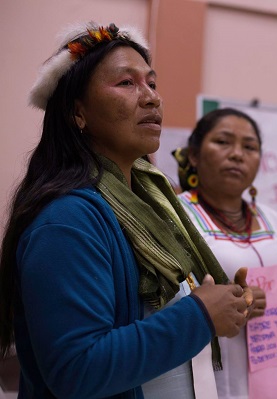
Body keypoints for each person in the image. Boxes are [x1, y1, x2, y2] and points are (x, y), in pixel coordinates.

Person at [0, 22, 253, 398]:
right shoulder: (67, 220)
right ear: (77, 113)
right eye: (127, 83)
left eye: (152, 83)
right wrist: (199, 316)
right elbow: (77, 369)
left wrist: (224, 304)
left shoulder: (151, 207)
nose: (152, 98)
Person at [173, 108, 277, 399]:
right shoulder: (176, 215)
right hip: (212, 375)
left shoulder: (272, 219)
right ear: (194, 156)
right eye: (223, 142)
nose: (237, 154)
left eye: (249, 147)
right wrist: (226, 302)